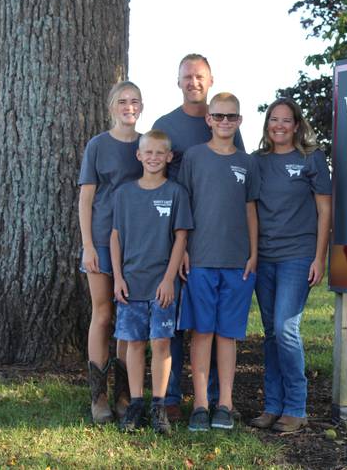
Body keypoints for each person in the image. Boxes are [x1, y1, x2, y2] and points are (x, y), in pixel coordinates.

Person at [152, 53, 244, 422]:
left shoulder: (226, 123)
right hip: (171, 233)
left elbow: (238, 183)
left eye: (200, 76)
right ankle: (171, 396)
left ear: (210, 80)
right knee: (174, 318)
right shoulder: (166, 124)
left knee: (209, 326)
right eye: (187, 76)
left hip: (215, 241)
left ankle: (219, 401)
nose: (194, 82)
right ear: (179, 82)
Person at [177, 92, 259, 431]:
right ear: (208, 119)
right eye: (219, 116)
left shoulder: (247, 162)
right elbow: (182, 204)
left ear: (239, 121)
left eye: (231, 117)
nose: (225, 122)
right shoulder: (194, 157)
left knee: (227, 334)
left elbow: (250, 208)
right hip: (200, 259)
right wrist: (181, 249)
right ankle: (199, 403)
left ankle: (224, 402)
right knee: (202, 332)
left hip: (237, 261)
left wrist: (254, 253)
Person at [249, 98, 331, 433]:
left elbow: (325, 210)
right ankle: (273, 406)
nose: (279, 126)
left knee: (286, 328)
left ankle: (296, 407)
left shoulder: (312, 158)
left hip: (298, 256)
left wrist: (320, 256)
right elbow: (250, 210)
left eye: (286, 120)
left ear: (296, 125)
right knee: (270, 334)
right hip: (264, 257)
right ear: (267, 124)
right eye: (273, 120)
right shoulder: (257, 162)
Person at [110, 129, 192, 434]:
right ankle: (135, 404)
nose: (154, 158)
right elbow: (115, 237)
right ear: (139, 155)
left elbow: (181, 238)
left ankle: (159, 405)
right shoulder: (124, 194)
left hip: (162, 285)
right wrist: (117, 278)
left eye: (161, 153)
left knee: (160, 342)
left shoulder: (175, 193)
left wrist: (169, 279)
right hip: (130, 283)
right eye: (149, 152)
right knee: (133, 343)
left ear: (169, 157)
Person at [78, 80, 144, 424]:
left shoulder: (147, 145)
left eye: (134, 101)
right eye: (122, 101)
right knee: (103, 315)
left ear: (141, 106)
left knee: (128, 321)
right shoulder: (98, 146)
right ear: (112, 107)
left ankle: (124, 394)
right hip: (102, 241)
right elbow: (86, 198)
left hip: (137, 246)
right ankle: (98, 396)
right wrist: (88, 245)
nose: (128, 106)